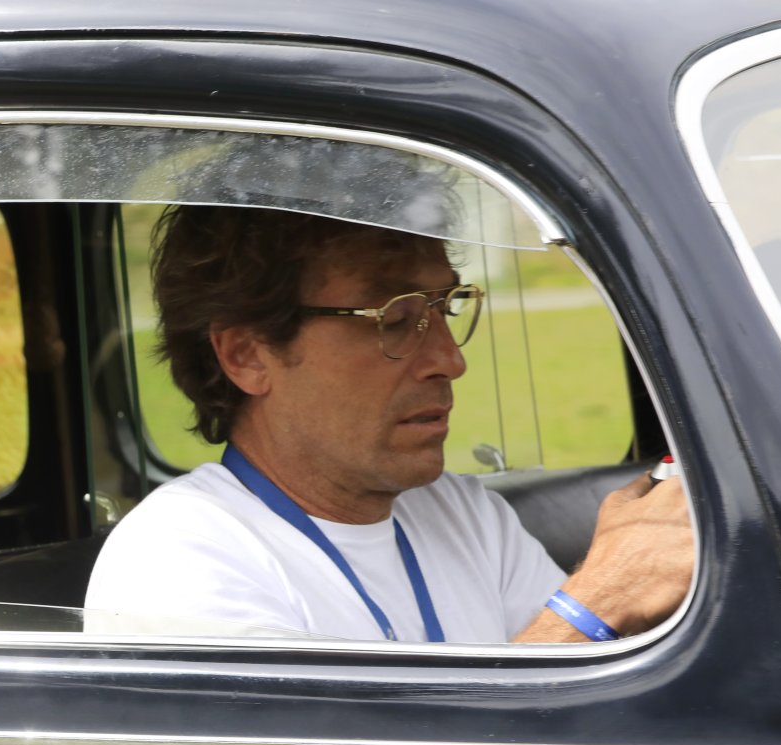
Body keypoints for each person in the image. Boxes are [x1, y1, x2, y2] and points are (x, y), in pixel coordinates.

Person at [85, 205, 693, 643]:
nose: (449, 360)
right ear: (247, 355)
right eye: (395, 319)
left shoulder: (462, 513)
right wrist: (596, 603)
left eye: (446, 307)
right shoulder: (182, 560)